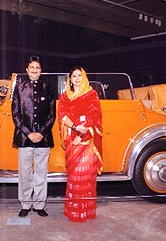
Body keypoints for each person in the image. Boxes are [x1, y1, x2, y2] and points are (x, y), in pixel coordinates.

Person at [11, 55, 56, 217]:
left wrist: (41, 133)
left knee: (41, 173)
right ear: (27, 70)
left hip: (43, 139)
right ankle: (25, 204)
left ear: (40, 71)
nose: (34, 70)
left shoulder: (48, 87)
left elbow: (52, 114)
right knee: (24, 173)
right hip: (24, 139)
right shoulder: (19, 88)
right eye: (32, 68)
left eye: (37, 68)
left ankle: (39, 205)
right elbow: (15, 114)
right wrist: (28, 133)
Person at [57, 67, 103, 222]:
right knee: (74, 177)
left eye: (79, 75)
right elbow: (62, 116)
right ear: (70, 79)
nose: (76, 78)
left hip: (87, 141)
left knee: (85, 176)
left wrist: (82, 135)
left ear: (84, 77)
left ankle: (86, 212)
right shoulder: (65, 97)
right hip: (72, 140)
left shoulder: (91, 94)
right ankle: (74, 212)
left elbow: (94, 116)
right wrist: (76, 130)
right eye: (74, 76)